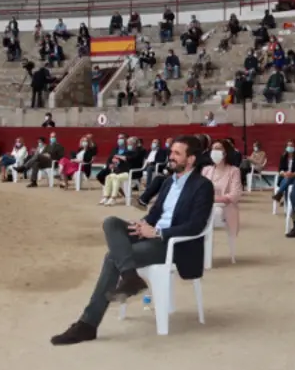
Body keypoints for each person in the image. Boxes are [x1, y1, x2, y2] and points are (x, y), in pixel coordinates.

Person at [50, 136, 214, 345]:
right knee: (111, 222)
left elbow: (196, 225)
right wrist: (141, 225)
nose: (170, 157)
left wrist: (157, 233)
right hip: (151, 234)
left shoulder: (202, 186)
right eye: (171, 152)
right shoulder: (166, 183)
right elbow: (154, 214)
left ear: (190, 160)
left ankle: (88, 324)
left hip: (172, 244)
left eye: (176, 154)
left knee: (112, 257)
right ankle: (129, 276)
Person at [203, 140, 243, 246]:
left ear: (225, 152)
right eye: (213, 148)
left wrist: (214, 199)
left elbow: (235, 194)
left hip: (224, 207)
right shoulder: (206, 170)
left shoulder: (234, 171)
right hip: (204, 205)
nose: (215, 151)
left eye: (218, 148)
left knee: (211, 213)